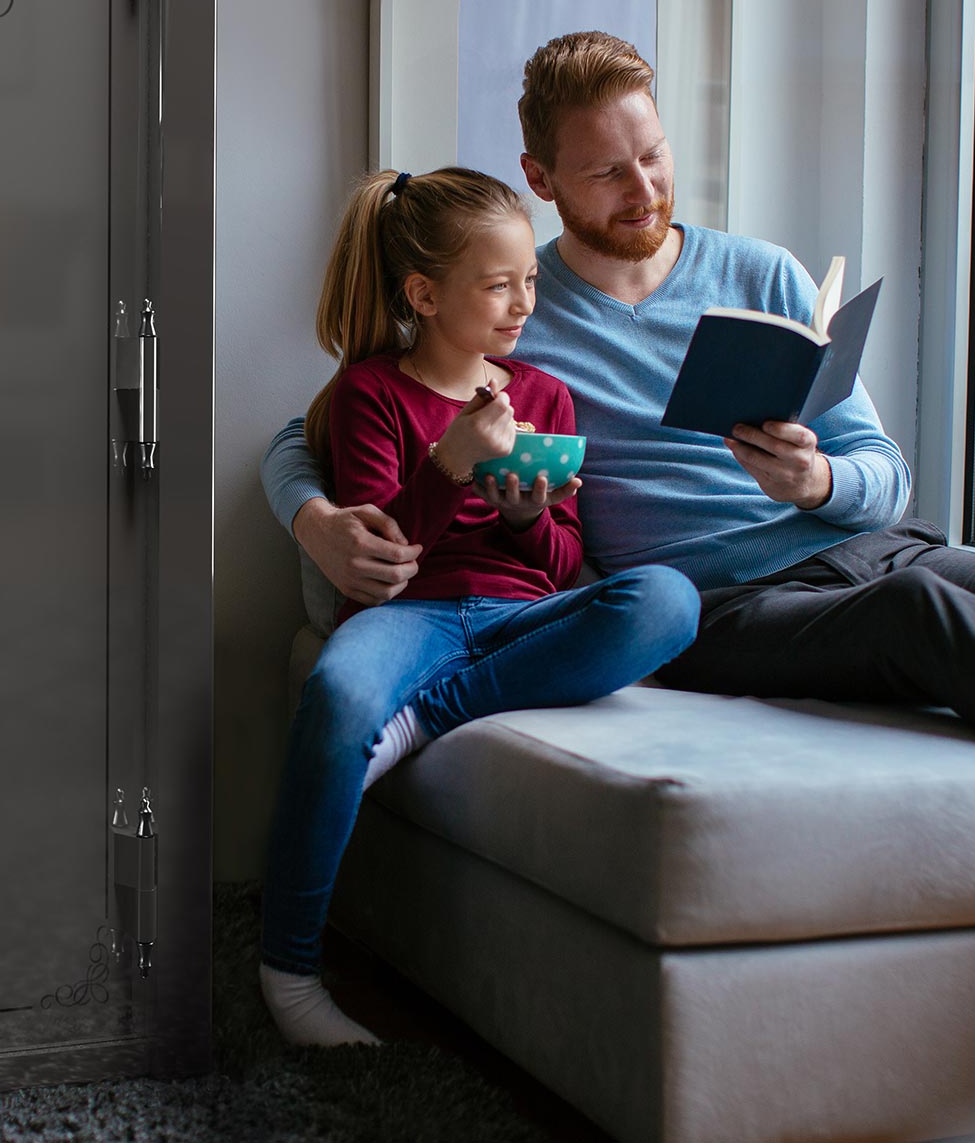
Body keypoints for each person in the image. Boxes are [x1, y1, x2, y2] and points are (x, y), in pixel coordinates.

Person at [262, 31, 975, 909]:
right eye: (604, 172)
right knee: (922, 615)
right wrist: (310, 515)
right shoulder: (512, 306)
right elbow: (318, 424)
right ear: (540, 176)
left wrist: (815, 483)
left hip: (849, 538)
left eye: (650, 154)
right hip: (714, 602)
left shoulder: (757, 269)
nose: (642, 188)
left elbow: (879, 467)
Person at [257, 165, 700, 1049]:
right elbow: (380, 569)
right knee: (340, 695)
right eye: (499, 286)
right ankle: (288, 970)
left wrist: (529, 516)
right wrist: (452, 462)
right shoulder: (371, 395)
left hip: (514, 616)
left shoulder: (543, 396)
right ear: (424, 293)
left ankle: (425, 717)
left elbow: (563, 564)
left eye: (528, 281)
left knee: (667, 600)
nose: (522, 303)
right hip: (410, 614)